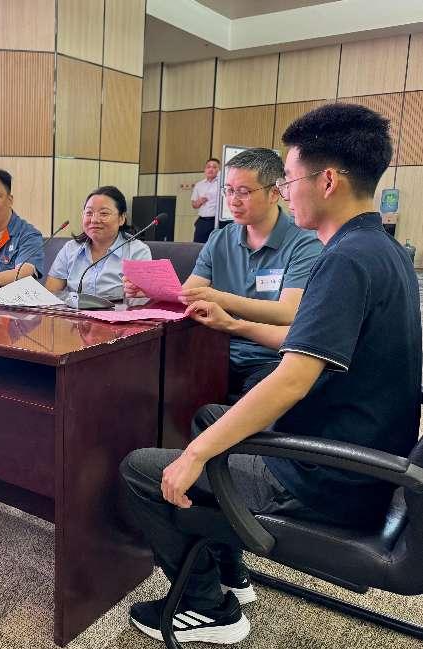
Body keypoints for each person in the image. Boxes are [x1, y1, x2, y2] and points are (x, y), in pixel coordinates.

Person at [120, 103, 420, 644]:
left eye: (289, 180)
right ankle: (230, 570)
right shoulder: (385, 250)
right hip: (366, 455)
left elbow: (292, 379)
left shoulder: (343, 260)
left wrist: (194, 457)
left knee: (142, 469)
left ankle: (208, 608)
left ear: (327, 181)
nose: (285, 191)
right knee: (210, 416)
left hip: (330, 478)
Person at [125, 148, 323, 396]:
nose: (233, 201)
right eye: (228, 190)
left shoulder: (304, 243)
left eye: (244, 192)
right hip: (214, 349)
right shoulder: (220, 239)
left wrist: (219, 298)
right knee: (142, 380)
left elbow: (287, 312)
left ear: (275, 192)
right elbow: (188, 293)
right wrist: (152, 290)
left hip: (268, 357)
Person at [45, 186, 151, 300]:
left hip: (117, 311)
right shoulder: (70, 249)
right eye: (89, 213)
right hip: (74, 311)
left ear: (121, 218)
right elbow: (50, 294)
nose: (94, 220)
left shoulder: (137, 251)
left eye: (104, 213)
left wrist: (135, 293)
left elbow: (140, 298)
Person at [192, 158, 221, 243]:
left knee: (215, 246)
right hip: (202, 221)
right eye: (208, 167)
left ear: (219, 170)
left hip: (217, 222)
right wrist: (199, 201)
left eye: (214, 167)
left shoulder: (222, 184)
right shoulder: (199, 185)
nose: (211, 169)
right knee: (197, 246)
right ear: (205, 169)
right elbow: (194, 205)